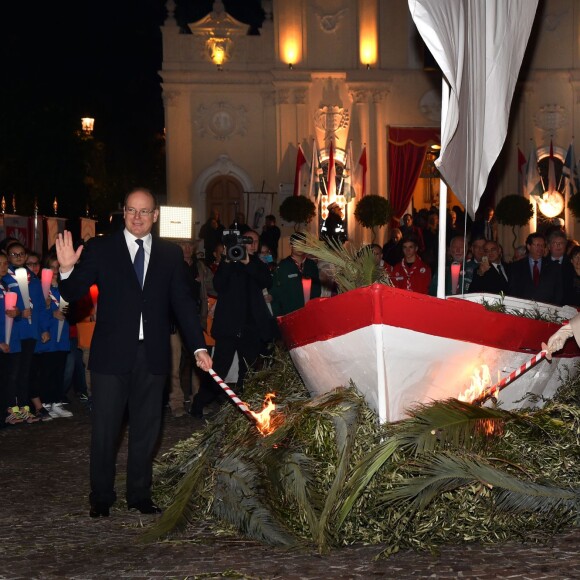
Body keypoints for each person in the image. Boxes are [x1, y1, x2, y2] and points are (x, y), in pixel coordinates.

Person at [56, 187, 212, 518]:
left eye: (144, 212)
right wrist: (67, 270)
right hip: (111, 355)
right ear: (122, 212)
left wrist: (198, 345)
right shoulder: (101, 248)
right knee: (105, 429)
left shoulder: (170, 255)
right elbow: (73, 293)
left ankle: (139, 494)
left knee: (147, 428)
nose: (137, 217)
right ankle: (101, 494)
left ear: (155, 216)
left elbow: (183, 304)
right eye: (131, 210)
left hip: (152, 355)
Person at [190, 229, 274, 419]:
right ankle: (199, 403)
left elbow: (265, 281)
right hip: (228, 328)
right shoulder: (228, 263)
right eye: (249, 241)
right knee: (219, 369)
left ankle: (245, 409)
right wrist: (228, 260)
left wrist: (248, 262)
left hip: (251, 328)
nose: (253, 244)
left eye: (256, 241)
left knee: (250, 371)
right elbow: (218, 285)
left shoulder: (258, 264)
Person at [270, 232, 321, 317]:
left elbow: (317, 289)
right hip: (290, 315)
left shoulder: (311, 265)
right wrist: (279, 315)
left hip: (310, 313)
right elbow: (276, 293)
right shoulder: (283, 267)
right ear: (291, 246)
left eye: (302, 245)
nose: (300, 248)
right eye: (297, 244)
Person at [507, 233, 563, 306]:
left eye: (542, 245)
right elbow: (513, 291)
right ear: (529, 246)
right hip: (524, 309)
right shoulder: (517, 266)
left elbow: (559, 292)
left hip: (547, 309)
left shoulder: (554, 266)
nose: (540, 248)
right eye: (537, 245)